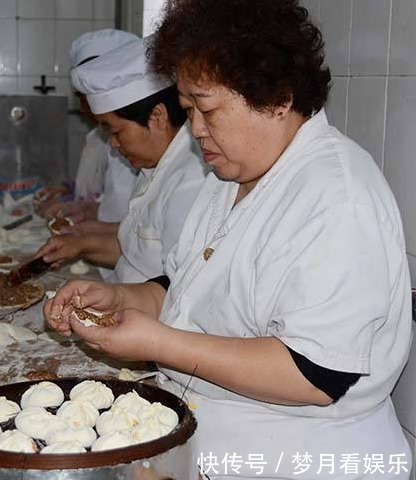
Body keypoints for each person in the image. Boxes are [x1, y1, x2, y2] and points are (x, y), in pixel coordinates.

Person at [44, 1, 413, 478]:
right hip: (216, 444)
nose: (195, 130)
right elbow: (185, 288)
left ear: (276, 97)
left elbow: (316, 373)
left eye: (208, 108)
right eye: (187, 109)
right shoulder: (229, 178)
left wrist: (160, 342)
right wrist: (118, 297)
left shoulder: (336, 195)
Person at [38, 37, 205, 283]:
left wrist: (112, 297)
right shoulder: (152, 170)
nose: (114, 145)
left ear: (157, 117)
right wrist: (79, 246)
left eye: (116, 131)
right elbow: (136, 254)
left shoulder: (191, 180)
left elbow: (176, 286)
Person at [40, 29, 139, 226]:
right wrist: (69, 193)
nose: (86, 106)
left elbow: (120, 212)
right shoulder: (97, 137)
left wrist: (81, 211)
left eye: (91, 96)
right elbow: (97, 189)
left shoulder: (131, 142)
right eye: (81, 97)